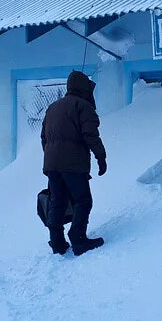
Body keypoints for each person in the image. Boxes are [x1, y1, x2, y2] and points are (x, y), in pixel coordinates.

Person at [40, 70, 108, 256]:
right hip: (73, 163)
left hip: (52, 164)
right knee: (83, 200)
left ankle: (57, 243)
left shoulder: (53, 107)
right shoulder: (83, 107)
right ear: (84, 88)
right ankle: (78, 240)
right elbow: (90, 135)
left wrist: (52, 156)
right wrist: (101, 157)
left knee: (57, 202)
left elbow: (43, 137)